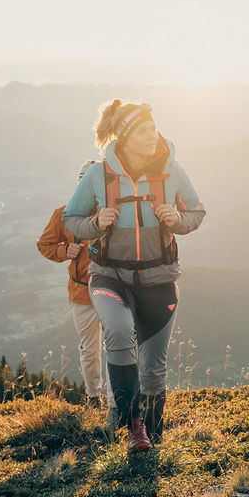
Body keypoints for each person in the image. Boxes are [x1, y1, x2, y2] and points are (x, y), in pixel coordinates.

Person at [62, 100, 206, 453]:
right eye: (143, 129)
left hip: (160, 277)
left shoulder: (173, 172)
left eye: (153, 127)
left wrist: (177, 220)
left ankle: (153, 436)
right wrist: (96, 224)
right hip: (110, 277)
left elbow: (197, 212)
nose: (151, 134)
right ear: (125, 137)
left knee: (155, 366)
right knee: (119, 333)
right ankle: (132, 426)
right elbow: (70, 219)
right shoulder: (99, 175)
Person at [37, 160, 108, 409]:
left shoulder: (111, 213)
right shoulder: (63, 213)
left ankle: (114, 399)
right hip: (81, 291)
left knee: (115, 345)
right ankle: (93, 398)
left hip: (111, 288)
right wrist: (65, 250)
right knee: (90, 349)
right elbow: (44, 245)